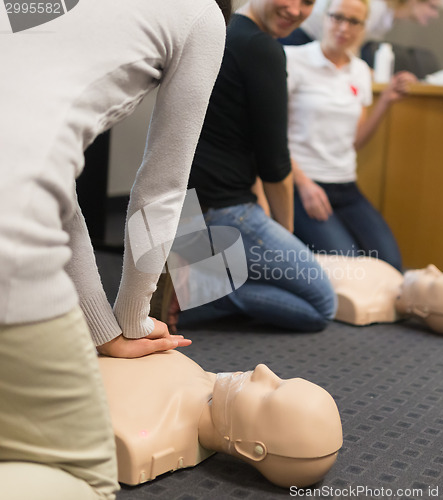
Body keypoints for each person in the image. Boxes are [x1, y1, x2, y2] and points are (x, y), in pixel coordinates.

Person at [0, 0, 228, 498]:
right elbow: (162, 195)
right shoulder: (201, 16)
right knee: (83, 478)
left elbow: (50, 186)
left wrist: (103, 329)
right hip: (12, 222)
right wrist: (132, 319)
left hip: (20, 199)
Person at [183, 0, 337, 332]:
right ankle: (199, 285)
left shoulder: (222, 31)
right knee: (323, 305)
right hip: (221, 212)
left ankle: (202, 272)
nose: (296, 10)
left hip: (187, 207)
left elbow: (243, 144)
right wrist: (286, 235)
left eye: (308, 2)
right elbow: (274, 163)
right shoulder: (261, 47)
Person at [285, 0, 417, 270]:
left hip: (345, 185)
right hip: (304, 184)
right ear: (324, 17)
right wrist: (304, 184)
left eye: (354, 21)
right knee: (350, 267)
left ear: (363, 28)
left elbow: (355, 141)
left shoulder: (360, 71)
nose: (344, 27)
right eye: (337, 17)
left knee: (390, 264)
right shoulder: (292, 59)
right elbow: (271, 134)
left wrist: (386, 101)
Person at [99, 350, 343, 487]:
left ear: (253, 449)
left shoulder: (144, 434)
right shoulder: (206, 382)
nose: (262, 370)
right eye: (281, 378)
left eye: (268, 394)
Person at [316, 255, 443, 334]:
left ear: (422, 310)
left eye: (432, 282)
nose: (431, 268)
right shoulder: (393, 275)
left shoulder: (361, 301)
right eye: (441, 273)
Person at [280, 0, 441, 45]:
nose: (435, 15)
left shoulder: (388, 17)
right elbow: (349, 42)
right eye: (432, 7)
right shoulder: (376, 7)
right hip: (302, 39)